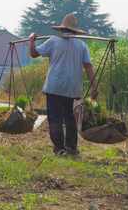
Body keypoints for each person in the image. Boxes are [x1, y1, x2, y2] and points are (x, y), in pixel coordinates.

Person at [29, 13, 97, 155]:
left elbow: (34, 54)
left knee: (55, 118)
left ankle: (59, 149)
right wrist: (94, 86)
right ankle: (71, 148)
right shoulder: (82, 45)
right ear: (75, 31)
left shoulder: (53, 41)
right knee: (69, 117)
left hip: (54, 86)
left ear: (62, 29)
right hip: (72, 88)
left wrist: (31, 41)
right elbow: (88, 66)